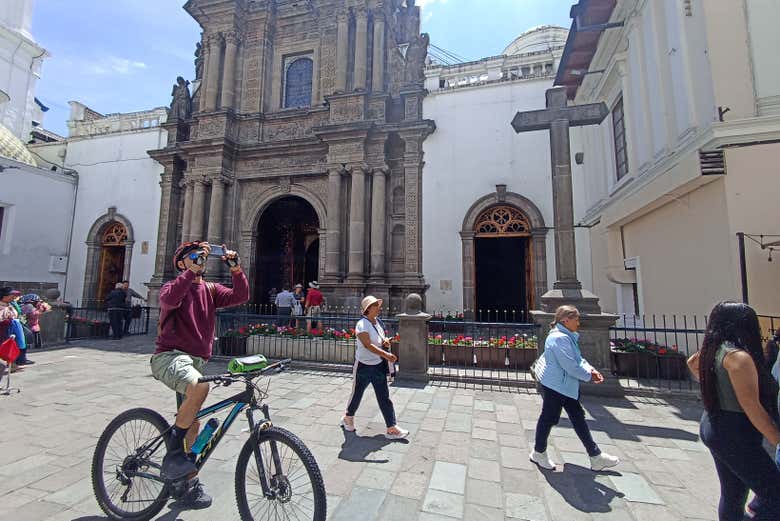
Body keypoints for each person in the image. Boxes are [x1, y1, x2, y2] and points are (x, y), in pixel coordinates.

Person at [151, 240, 248, 510]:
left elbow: (240, 296)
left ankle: (187, 483)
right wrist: (190, 272)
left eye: (203, 255)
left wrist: (236, 269)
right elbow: (169, 299)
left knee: (193, 426)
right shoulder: (173, 286)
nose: (200, 259)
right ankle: (173, 456)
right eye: (194, 255)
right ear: (181, 263)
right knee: (200, 388)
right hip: (170, 357)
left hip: (196, 362)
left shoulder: (210, 290)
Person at [687, 302, 780, 521]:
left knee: (732, 494)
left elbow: (691, 362)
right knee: (775, 495)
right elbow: (751, 407)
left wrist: (718, 387)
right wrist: (777, 439)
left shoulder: (712, 350)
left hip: (713, 423)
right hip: (736, 432)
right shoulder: (739, 358)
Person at [529, 305, 619, 472]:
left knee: (577, 418)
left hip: (565, 386)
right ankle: (538, 452)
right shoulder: (559, 339)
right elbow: (570, 365)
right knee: (549, 418)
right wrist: (589, 376)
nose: (578, 323)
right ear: (565, 320)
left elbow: (578, 359)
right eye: (575, 319)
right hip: (556, 385)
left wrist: (591, 370)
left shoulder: (567, 336)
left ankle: (595, 456)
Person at [341, 295, 409, 439]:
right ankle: (348, 417)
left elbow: (378, 340)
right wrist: (386, 355)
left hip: (377, 365)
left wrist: (385, 341)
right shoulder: (362, 324)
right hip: (363, 366)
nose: (379, 308)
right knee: (357, 394)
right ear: (368, 309)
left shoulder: (378, 322)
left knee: (384, 396)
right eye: (376, 306)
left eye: (378, 305)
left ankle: (391, 427)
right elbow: (367, 345)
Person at [0, 288, 32, 366]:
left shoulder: (12, 304)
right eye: (12, 295)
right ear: (4, 296)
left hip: (14, 328)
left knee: (15, 345)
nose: (14, 297)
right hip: (3, 329)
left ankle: (15, 362)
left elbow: (17, 314)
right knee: (5, 346)